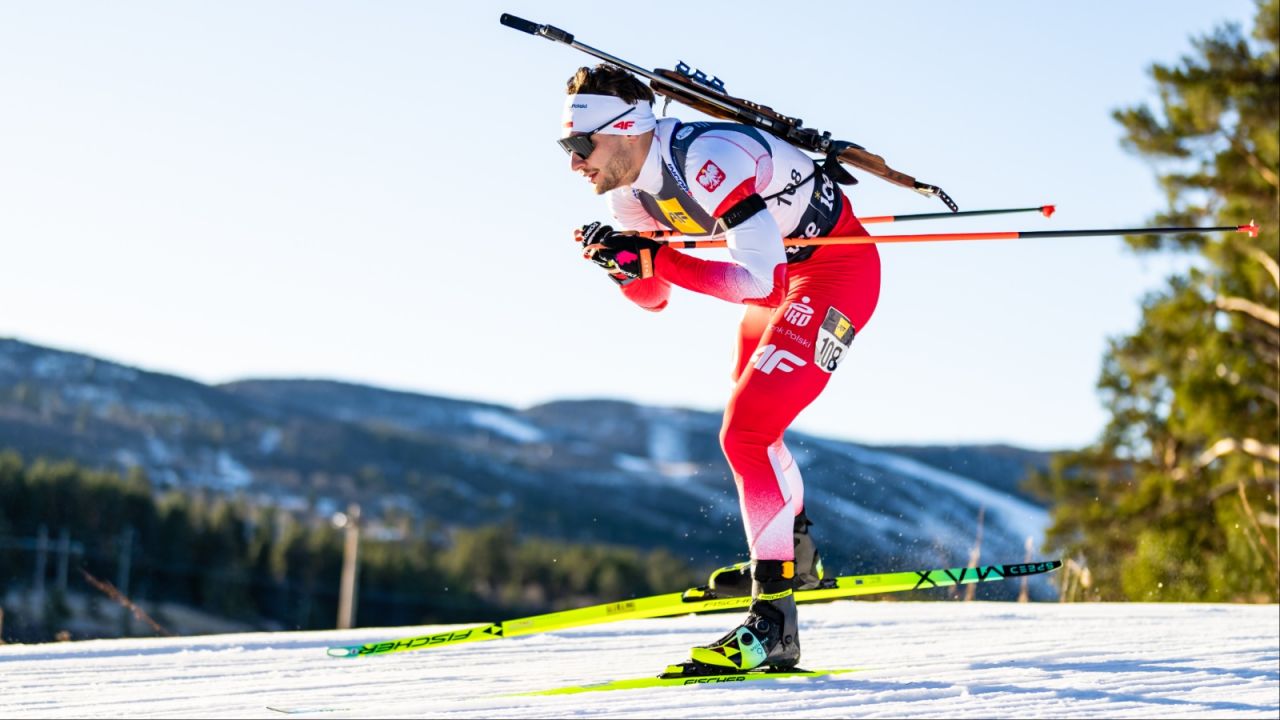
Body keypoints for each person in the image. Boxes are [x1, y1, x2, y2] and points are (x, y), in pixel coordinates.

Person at [560, 63, 881, 673]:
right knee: (757, 432)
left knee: (745, 432)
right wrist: (624, 266)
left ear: (626, 129)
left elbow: (761, 283)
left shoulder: (712, 159)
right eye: (567, 147)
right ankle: (797, 555)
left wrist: (658, 260)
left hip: (835, 274)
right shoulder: (628, 194)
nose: (574, 163)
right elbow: (654, 300)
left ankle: (775, 623)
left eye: (581, 145)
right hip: (786, 281)